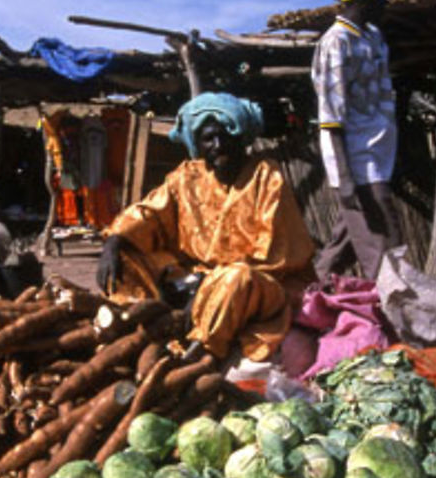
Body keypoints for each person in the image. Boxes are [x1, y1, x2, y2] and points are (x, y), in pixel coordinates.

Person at [96, 92, 315, 362]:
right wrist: (114, 241)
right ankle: (138, 329)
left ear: (241, 138)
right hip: (196, 277)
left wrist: (209, 288)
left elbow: (275, 256)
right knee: (124, 255)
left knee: (236, 278)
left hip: (258, 282)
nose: (218, 145)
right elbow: (149, 213)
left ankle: (198, 356)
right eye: (208, 138)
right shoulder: (187, 176)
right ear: (196, 144)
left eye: (226, 136)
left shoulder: (265, 175)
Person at [311, 0, 401, 281]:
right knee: (384, 242)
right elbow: (331, 116)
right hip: (357, 159)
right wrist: (345, 177)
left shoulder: (373, 36)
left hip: (378, 154)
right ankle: (394, 317)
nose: (387, 1)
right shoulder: (336, 43)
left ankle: (310, 294)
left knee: (346, 237)